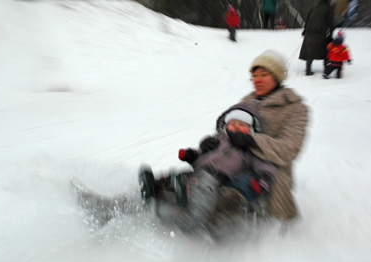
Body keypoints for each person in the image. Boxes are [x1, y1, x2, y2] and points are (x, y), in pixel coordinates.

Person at [139, 101, 277, 234]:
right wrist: (191, 155)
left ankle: (186, 216)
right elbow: (200, 154)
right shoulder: (218, 139)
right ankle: (154, 186)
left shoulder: (250, 149)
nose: (235, 127)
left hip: (216, 178)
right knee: (179, 176)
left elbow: (265, 166)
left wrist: (263, 180)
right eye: (232, 123)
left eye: (241, 124)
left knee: (202, 190)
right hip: (196, 171)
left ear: (251, 130)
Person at [241, 49, 309, 221]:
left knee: (272, 199)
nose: (257, 80)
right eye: (255, 76)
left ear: (277, 77)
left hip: (273, 168)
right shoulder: (246, 101)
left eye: (264, 74)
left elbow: (289, 149)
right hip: (239, 158)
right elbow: (230, 126)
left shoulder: (295, 108)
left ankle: (281, 232)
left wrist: (252, 140)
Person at [299, 0, 334, 76]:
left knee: (310, 50)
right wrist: (330, 36)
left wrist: (305, 31)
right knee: (325, 51)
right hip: (320, 33)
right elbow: (330, 23)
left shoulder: (314, 6)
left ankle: (308, 70)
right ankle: (326, 69)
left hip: (310, 32)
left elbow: (307, 19)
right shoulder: (328, 8)